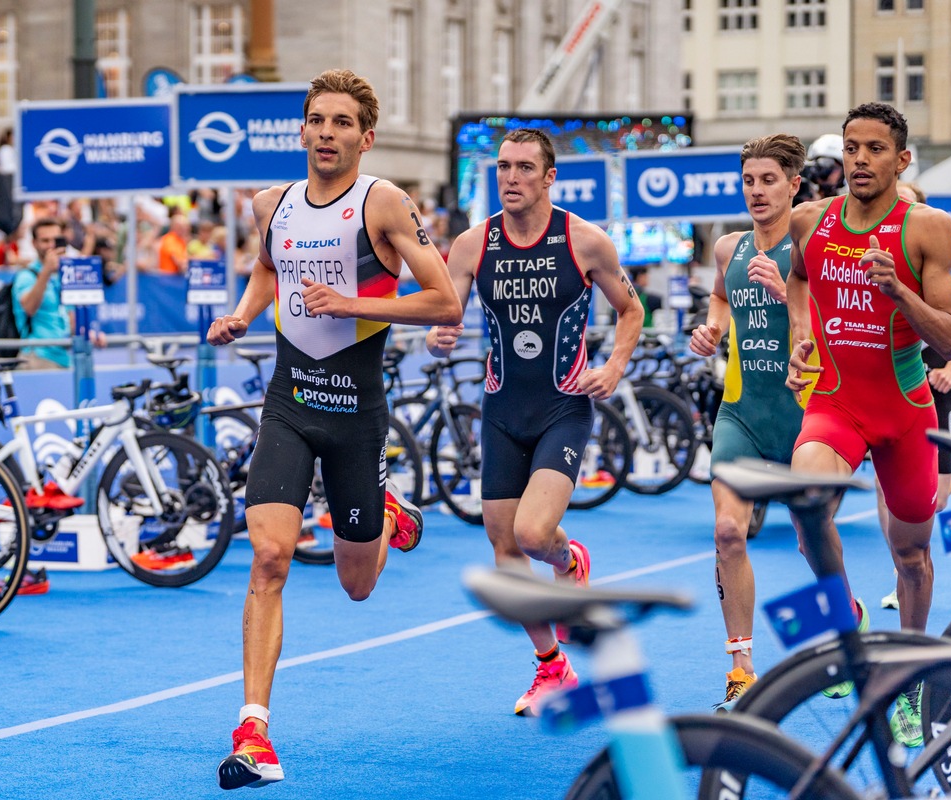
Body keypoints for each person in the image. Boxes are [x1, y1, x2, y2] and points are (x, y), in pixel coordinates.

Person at [207, 68, 462, 791]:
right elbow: (267, 267)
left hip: (356, 416)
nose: (327, 132)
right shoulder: (271, 204)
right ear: (302, 129)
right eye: (318, 120)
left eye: (342, 122)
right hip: (289, 405)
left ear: (365, 137)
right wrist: (244, 315)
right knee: (268, 556)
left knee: (357, 585)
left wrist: (350, 301)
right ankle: (253, 730)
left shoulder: (383, 204)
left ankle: (383, 514)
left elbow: (443, 301)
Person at [425, 127, 643, 716]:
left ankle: (569, 561)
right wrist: (440, 335)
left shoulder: (585, 241)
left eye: (524, 168)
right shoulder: (473, 244)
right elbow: (446, 312)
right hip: (500, 410)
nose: (511, 178)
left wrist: (615, 365)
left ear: (550, 177)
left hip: (562, 407)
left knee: (530, 533)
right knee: (503, 544)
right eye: (503, 167)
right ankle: (551, 666)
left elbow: (631, 309)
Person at [786, 103, 951, 746]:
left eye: (875, 149)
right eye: (853, 148)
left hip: (905, 410)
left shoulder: (928, 229)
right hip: (836, 400)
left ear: (901, 160)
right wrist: (803, 329)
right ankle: (849, 621)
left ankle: (912, 679)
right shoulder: (811, 220)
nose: (860, 160)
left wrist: (902, 295)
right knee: (806, 511)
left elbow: (949, 339)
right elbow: (801, 279)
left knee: (912, 556)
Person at [687, 133, 810, 710]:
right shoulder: (728, 246)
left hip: (805, 414)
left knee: (814, 542)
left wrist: (786, 294)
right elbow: (720, 297)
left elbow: (828, 329)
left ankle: (847, 622)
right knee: (728, 532)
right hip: (740, 412)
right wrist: (710, 328)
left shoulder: (812, 250)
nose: (756, 191)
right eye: (748, 181)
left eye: (768, 180)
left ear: (794, 185)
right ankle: (742, 665)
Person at [877, 181, 951, 612]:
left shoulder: (937, 260)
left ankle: (918, 567)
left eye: (903, 206)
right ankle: (902, 572)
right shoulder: (881, 263)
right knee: (888, 500)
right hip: (897, 390)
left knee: (939, 493)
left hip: (942, 387)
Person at [12, 218, 76, 369]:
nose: (51, 245)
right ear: (34, 243)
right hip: (37, 357)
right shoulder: (26, 275)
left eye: (56, 240)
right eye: (45, 240)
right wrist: (46, 271)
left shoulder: (64, 275)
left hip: (65, 357)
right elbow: (29, 307)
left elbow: (72, 318)